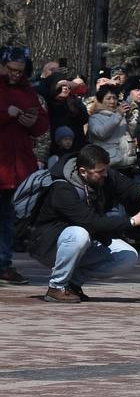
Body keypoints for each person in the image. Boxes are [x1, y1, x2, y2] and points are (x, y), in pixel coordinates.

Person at [29, 144, 140, 301]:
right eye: (100, 172)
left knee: (128, 256)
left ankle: (73, 284)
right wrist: (132, 221)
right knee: (79, 234)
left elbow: (125, 186)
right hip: (50, 245)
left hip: (85, 241)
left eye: (106, 170)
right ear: (83, 171)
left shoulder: (102, 174)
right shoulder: (62, 188)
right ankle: (57, 287)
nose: (105, 175)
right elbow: (92, 222)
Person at [1, 46, 49, 285]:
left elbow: (41, 124)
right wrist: (6, 113)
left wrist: (34, 122)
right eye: (10, 70)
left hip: (17, 165)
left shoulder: (27, 90)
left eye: (19, 71)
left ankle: (3, 264)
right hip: (3, 162)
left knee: (9, 217)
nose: (15, 75)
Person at [87, 85, 132, 170]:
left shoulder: (121, 116)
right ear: (101, 101)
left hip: (126, 163)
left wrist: (129, 116)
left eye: (115, 98)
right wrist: (118, 115)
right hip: (108, 164)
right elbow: (101, 133)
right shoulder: (95, 118)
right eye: (108, 98)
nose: (112, 101)